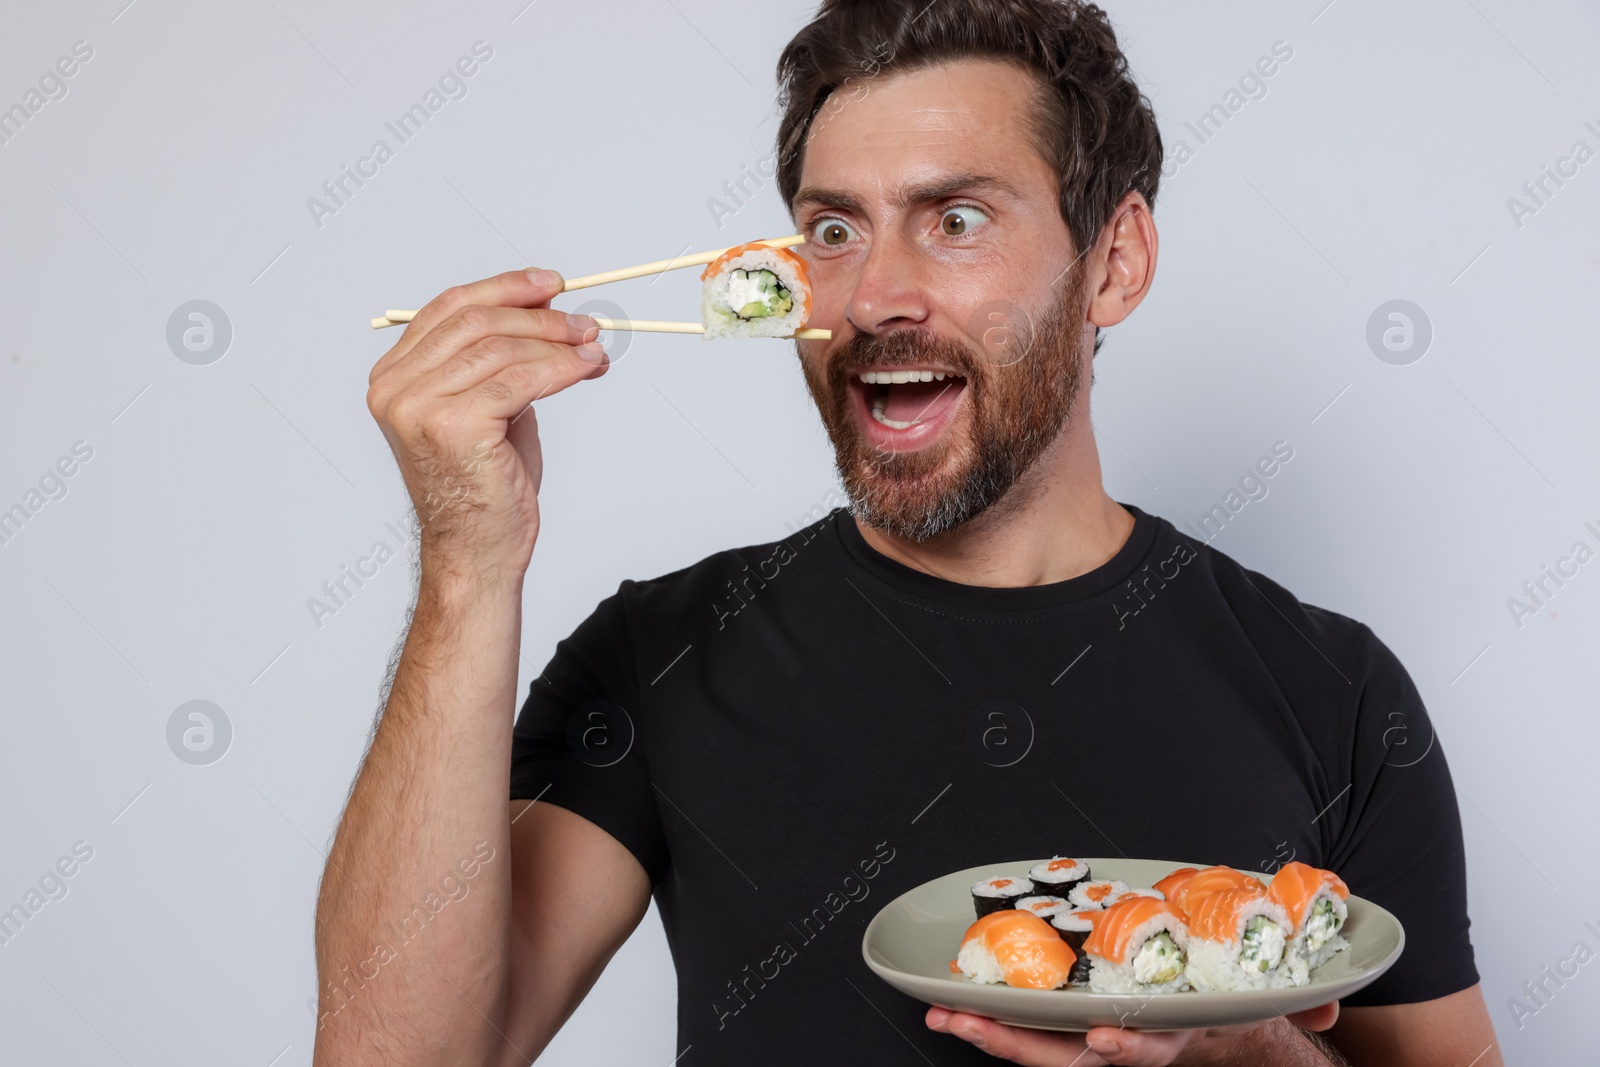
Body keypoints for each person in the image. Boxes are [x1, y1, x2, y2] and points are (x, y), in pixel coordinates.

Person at [313, 1, 1503, 1064]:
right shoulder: (662, 653)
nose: (875, 296)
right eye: (832, 231)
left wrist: (1252, 1062)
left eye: (956, 219)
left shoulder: (1329, 686)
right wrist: (467, 565)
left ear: (1115, 262)